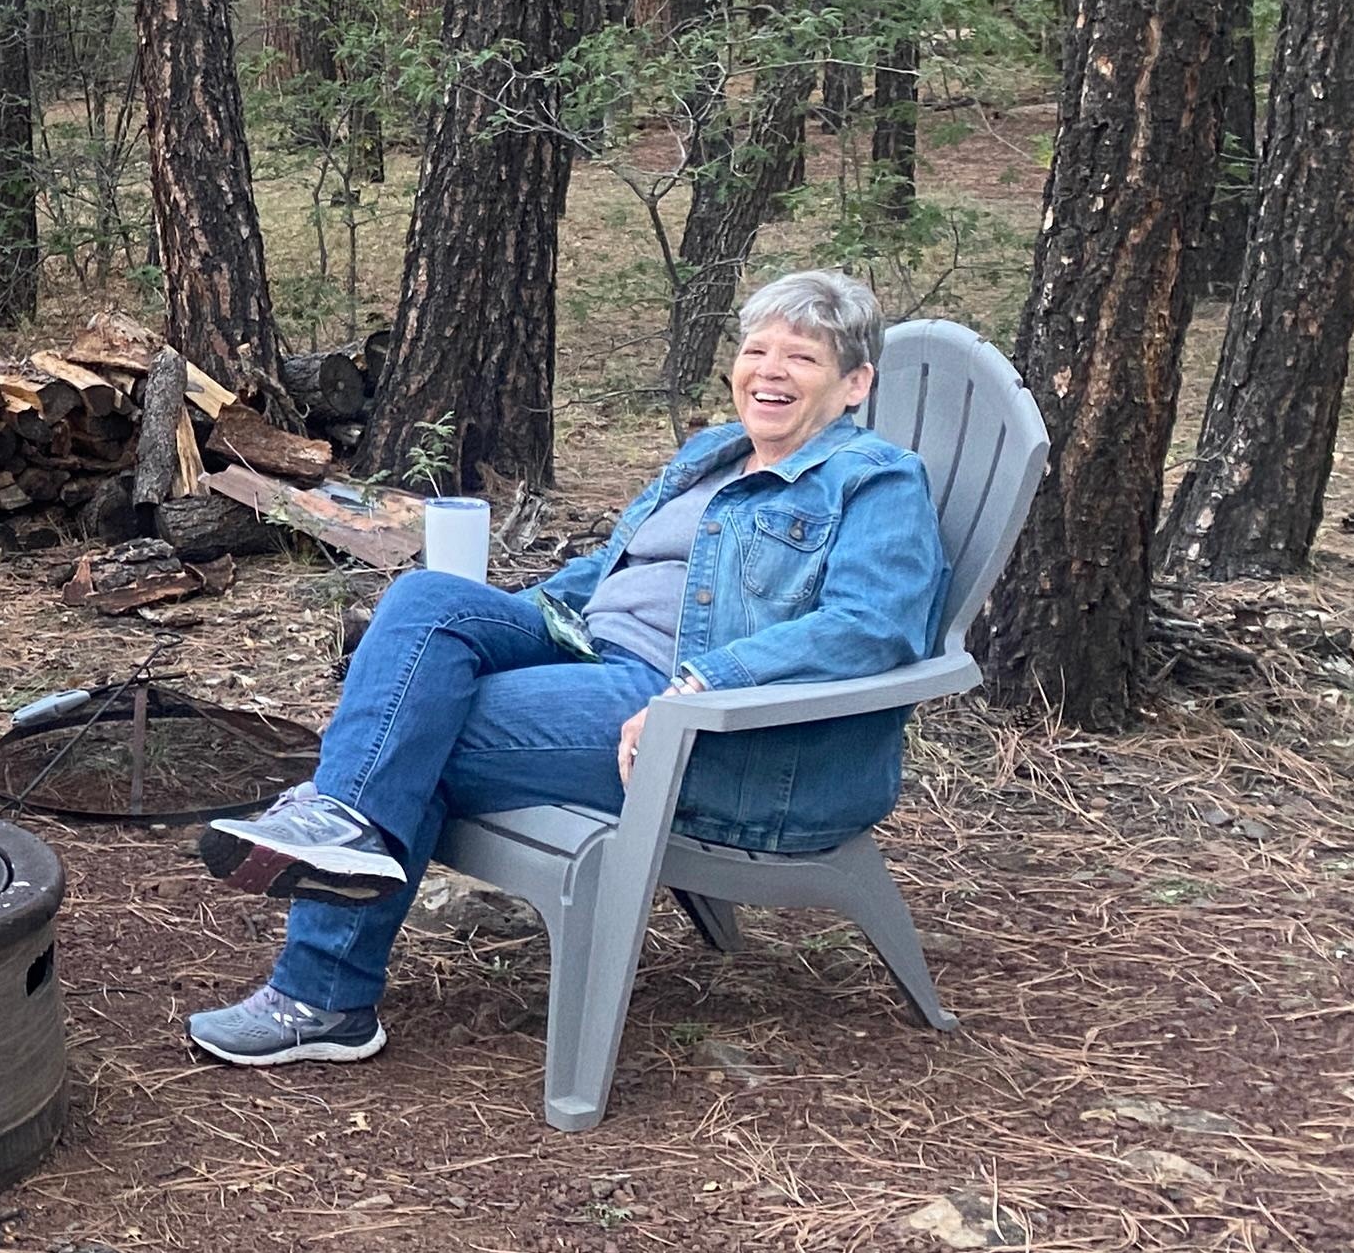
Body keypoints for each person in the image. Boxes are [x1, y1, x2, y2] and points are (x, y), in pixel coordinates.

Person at [184, 269, 948, 1071]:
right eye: (756, 349)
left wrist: (708, 682)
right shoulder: (713, 454)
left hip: (694, 720)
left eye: (802, 358)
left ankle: (323, 986)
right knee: (425, 602)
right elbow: (612, 572)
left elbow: (874, 627)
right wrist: (501, 624)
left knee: (415, 731)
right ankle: (340, 828)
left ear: (855, 383)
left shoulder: (877, 481)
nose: (769, 370)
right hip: (590, 651)